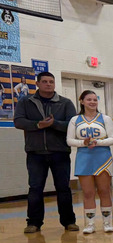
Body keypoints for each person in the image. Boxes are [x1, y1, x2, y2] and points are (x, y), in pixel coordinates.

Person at [13, 71, 78, 233]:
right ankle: (33, 223)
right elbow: (18, 121)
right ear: (37, 84)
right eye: (45, 82)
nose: (48, 84)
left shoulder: (65, 103)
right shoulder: (25, 102)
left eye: (51, 82)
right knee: (35, 188)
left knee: (63, 188)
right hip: (35, 153)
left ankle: (69, 221)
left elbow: (73, 125)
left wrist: (54, 124)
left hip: (60, 152)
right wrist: (37, 125)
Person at [66, 90, 113, 234]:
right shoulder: (75, 120)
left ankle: (107, 223)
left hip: (103, 159)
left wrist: (98, 142)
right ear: (82, 101)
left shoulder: (105, 119)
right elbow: (69, 141)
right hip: (84, 158)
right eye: (89, 99)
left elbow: (112, 138)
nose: (92, 102)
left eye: (95, 99)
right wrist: (84, 142)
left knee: (104, 191)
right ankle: (90, 224)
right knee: (88, 193)